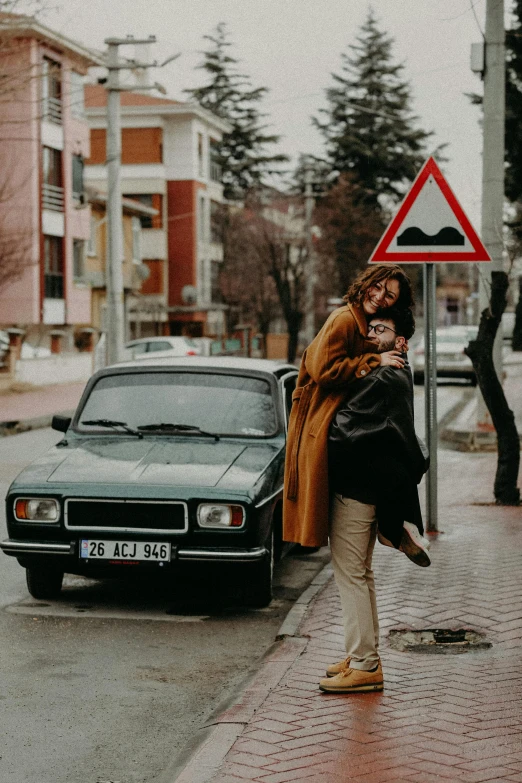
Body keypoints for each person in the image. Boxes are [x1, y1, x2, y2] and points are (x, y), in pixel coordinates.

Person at [319, 308, 430, 695]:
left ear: (400, 341)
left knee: (350, 575)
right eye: (370, 327)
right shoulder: (394, 371)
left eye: (380, 330)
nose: (371, 333)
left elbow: (348, 430)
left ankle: (365, 664)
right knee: (361, 574)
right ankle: (362, 654)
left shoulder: (383, 374)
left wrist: (326, 431)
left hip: (356, 488)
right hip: (370, 489)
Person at [283, 263, 414, 551]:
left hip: (328, 418)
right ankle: (397, 526)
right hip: (317, 419)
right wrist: (375, 360)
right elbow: (325, 371)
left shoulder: (360, 323)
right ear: (366, 283)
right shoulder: (344, 319)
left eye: (389, 295)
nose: (380, 296)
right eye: (377, 286)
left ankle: (396, 525)